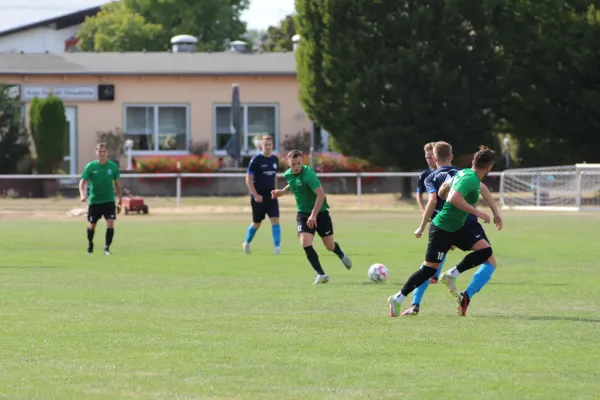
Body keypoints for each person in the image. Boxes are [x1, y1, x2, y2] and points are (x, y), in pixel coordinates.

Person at [387, 146, 498, 317]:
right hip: (442, 228)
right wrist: (477, 212)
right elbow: (453, 198)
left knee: (485, 251)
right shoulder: (469, 178)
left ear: (473, 162)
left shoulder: (467, 175)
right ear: (489, 167)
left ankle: (451, 275)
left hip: (457, 227)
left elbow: (445, 188)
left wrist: (443, 193)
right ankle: (397, 298)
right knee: (428, 270)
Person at [271, 150, 352, 284]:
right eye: (293, 164)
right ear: (288, 163)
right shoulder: (288, 174)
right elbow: (294, 183)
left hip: (320, 212)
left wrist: (313, 215)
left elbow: (321, 195)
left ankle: (341, 254)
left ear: (302, 161)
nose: (296, 167)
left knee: (329, 245)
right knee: (305, 242)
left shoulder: (308, 174)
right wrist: (282, 192)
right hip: (303, 213)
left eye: (298, 163)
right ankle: (321, 274)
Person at [437, 164, 503, 316]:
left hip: (456, 221)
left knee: (489, 260)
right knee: (489, 260)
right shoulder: (466, 174)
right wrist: (493, 212)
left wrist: (495, 212)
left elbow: (441, 193)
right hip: (466, 221)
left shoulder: (458, 173)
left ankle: (464, 296)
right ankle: (454, 279)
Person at [79, 143, 122, 255]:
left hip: (109, 200)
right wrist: (82, 195)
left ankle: (107, 248)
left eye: (104, 151)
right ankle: (90, 244)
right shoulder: (91, 166)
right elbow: (82, 182)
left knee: (111, 222)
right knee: (92, 224)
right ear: (96, 152)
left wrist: (120, 198)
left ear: (107, 153)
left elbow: (117, 184)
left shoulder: (113, 167)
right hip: (95, 201)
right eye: (100, 151)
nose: (102, 153)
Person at [242, 135, 281, 254]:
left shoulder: (275, 159)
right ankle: (247, 243)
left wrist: (276, 190)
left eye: (270, 144)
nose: (268, 147)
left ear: (272, 146)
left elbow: (274, 177)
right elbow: (248, 179)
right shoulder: (256, 160)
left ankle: (277, 248)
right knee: (257, 223)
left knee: (275, 219)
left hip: (271, 195)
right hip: (258, 196)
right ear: (261, 146)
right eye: (265, 145)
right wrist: (255, 194)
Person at [416, 142, 437, 214]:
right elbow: (419, 194)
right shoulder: (425, 174)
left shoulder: (449, 172)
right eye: (427, 158)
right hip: (434, 212)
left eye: (431, 157)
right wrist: (423, 210)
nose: (429, 160)